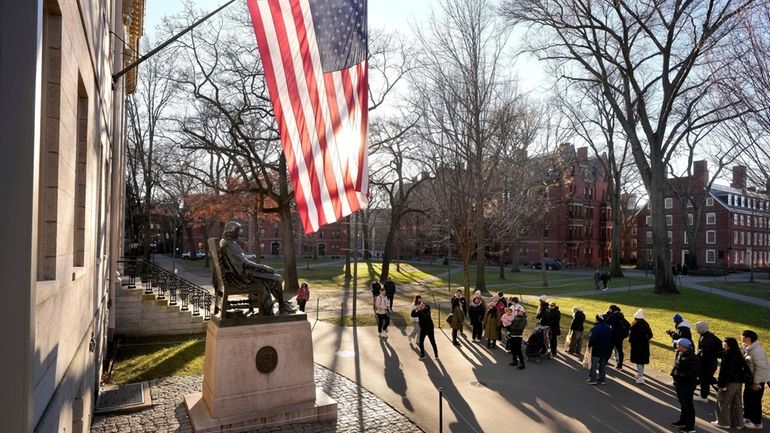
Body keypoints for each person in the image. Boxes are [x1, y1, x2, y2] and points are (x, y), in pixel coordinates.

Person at [219, 221, 295, 314]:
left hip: (237, 275)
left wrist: (262, 268)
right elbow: (245, 263)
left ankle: (278, 306)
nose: (239, 233)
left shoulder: (225, 242)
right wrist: (264, 267)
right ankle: (281, 307)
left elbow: (242, 262)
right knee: (275, 279)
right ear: (231, 231)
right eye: (237, 231)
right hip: (241, 277)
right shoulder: (230, 244)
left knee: (271, 278)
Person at [712, 337, 750, 429]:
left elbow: (724, 371)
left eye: (724, 342)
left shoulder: (727, 354)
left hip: (728, 382)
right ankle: (738, 423)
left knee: (722, 401)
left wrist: (721, 384)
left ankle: (723, 423)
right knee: (737, 403)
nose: (722, 344)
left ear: (727, 344)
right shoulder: (737, 352)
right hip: (738, 382)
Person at [741, 329, 769, 430]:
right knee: (747, 398)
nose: (741, 338)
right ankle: (748, 418)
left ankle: (757, 423)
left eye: (742, 336)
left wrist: (756, 383)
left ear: (748, 338)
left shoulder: (757, 351)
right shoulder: (747, 348)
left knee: (755, 401)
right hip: (750, 379)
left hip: (757, 381)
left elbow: (761, 368)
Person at [671, 338, 700, 433]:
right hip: (679, 383)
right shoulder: (680, 353)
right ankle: (683, 420)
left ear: (684, 346)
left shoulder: (692, 358)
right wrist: (673, 374)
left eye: (678, 345)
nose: (676, 346)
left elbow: (694, 372)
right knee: (683, 403)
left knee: (688, 405)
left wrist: (681, 376)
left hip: (687, 384)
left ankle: (690, 426)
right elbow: (676, 366)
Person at [694, 321, 722, 402]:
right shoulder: (710, 335)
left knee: (705, 380)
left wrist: (697, 359)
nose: (695, 329)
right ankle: (721, 391)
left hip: (707, 364)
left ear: (701, 329)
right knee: (709, 378)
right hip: (712, 362)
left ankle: (703, 397)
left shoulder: (705, 339)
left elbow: (704, 354)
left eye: (697, 328)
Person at [587, 314, 613, 385]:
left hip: (597, 349)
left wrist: (589, 345)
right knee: (602, 365)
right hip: (605, 349)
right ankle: (602, 379)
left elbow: (593, 338)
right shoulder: (608, 327)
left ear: (597, 319)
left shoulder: (596, 328)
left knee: (594, 364)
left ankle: (593, 379)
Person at [629, 308, 653, 384]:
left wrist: (631, 341)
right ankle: (640, 373)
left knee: (638, 361)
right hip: (645, 345)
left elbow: (631, 337)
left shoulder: (634, 325)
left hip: (636, 346)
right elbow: (650, 335)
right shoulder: (646, 324)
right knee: (642, 360)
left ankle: (641, 377)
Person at [605, 305, 630, 369]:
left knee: (609, 349)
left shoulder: (613, 316)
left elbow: (607, 321)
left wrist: (608, 314)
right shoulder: (621, 315)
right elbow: (628, 324)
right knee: (619, 350)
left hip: (614, 335)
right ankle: (620, 364)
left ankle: (605, 362)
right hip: (620, 336)